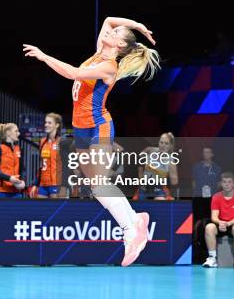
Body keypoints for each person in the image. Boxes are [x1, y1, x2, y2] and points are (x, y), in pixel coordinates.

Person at [24, 16, 159, 266]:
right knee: (97, 186)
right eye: (116, 31)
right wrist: (138, 26)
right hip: (81, 129)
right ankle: (135, 218)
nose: (111, 31)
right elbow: (108, 19)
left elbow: (73, 73)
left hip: (99, 127)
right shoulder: (100, 51)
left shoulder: (109, 66)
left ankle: (131, 233)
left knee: (98, 184)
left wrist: (44, 56)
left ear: (119, 45)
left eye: (117, 33)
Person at [202, 173, 234, 269]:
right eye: (224, 182)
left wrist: (228, 223)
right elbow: (214, 217)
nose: (227, 184)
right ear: (221, 184)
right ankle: (212, 258)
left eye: (229, 182)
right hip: (221, 223)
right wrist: (221, 223)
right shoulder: (216, 197)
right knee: (209, 227)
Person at [134, 133, 179, 200]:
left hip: (158, 189)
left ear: (170, 146)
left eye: (166, 143)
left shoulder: (171, 161)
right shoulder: (150, 150)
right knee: (139, 203)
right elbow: (139, 159)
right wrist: (140, 176)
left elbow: (174, 182)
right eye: (161, 142)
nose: (163, 145)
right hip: (143, 188)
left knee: (160, 200)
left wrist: (173, 197)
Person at [32, 113, 63, 198]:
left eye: (49, 123)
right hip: (43, 184)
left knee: (57, 209)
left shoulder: (62, 142)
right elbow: (41, 165)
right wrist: (36, 184)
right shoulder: (42, 141)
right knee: (41, 210)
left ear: (57, 125)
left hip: (57, 183)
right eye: (46, 122)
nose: (46, 125)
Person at [192, 147, 222, 222]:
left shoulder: (217, 168)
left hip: (212, 198)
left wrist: (213, 191)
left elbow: (219, 183)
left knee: (210, 219)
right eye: (204, 152)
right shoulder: (197, 166)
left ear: (212, 154)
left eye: (208, 152)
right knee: (198, 219)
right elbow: (193, 182)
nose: (205, 154)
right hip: (199, 196)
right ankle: (197, 233)